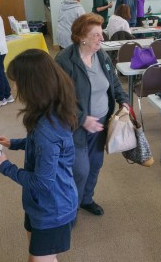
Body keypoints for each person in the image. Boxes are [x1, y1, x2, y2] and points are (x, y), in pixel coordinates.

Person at [0, 49, 78, 262]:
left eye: (17, 82)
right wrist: (13, 143)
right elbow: (44, 148)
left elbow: (43, 182)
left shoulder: (47, 129)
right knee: (40, 254)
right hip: (41, 203)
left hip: (52, 208)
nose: (14, 88)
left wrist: (3, 166)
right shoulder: (49, 112)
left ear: (33, 86)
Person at [55, 13, 129, 217]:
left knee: (95, 165)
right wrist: (82, 119)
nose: (102, 38)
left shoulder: (101, 55)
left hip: (101, 124)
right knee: (80, 170)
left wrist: (123, 99)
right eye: (96, 35)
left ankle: (86, 199)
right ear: (82, 37)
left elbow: (113, 82)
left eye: (101, 34)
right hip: (75, 127)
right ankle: (71, 208)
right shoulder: (64, 61)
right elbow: (58, 99)